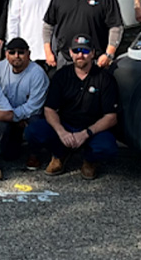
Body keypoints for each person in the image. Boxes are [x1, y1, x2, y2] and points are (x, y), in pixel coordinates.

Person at [24, 35, 120, 180]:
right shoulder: (61, 75)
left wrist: (86, 133)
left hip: (92, 129)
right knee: (33, 131)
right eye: (76, 51)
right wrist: (61, 132)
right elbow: (49, 109)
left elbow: (111, 117)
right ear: (70, 53)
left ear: (93, 53)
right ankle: (59, 154)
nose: (80, 55)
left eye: (85, 51)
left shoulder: (105, 78)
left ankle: (89, 160)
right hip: (66, 126)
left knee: (108, 147)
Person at [43, 0, 122, 69]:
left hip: (95, 61)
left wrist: (109, 54)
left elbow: (116, 27)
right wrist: (48, 52)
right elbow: (48, 26)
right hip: (65, 59)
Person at [0, 37, 50, 170]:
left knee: (36, 123)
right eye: (12, 52)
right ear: (6, 54)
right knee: (10, 155)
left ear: (29, 54)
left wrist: (13, 116)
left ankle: (34, 155)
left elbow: (34, 106)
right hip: (7, 115)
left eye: (21, 52)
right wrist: (11, 117)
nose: (16, 56)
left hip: (29, 116)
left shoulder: (38, 73)